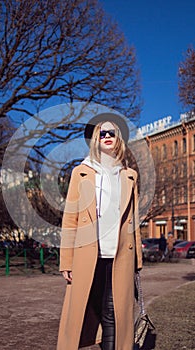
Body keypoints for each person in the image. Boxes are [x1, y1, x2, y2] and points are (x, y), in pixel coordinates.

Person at [57, 113, 142, 350]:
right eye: (101, 133)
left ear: (119, 139)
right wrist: (67, 261)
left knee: (114, 313)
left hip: (120, 255)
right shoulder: (81, 173)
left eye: (111, 133)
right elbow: (70, 219)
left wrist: (137, 262)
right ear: (95, 139)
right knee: (82, 307)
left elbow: (132, 221)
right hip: (87, 254)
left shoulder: (129, 176)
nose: (106, 136)